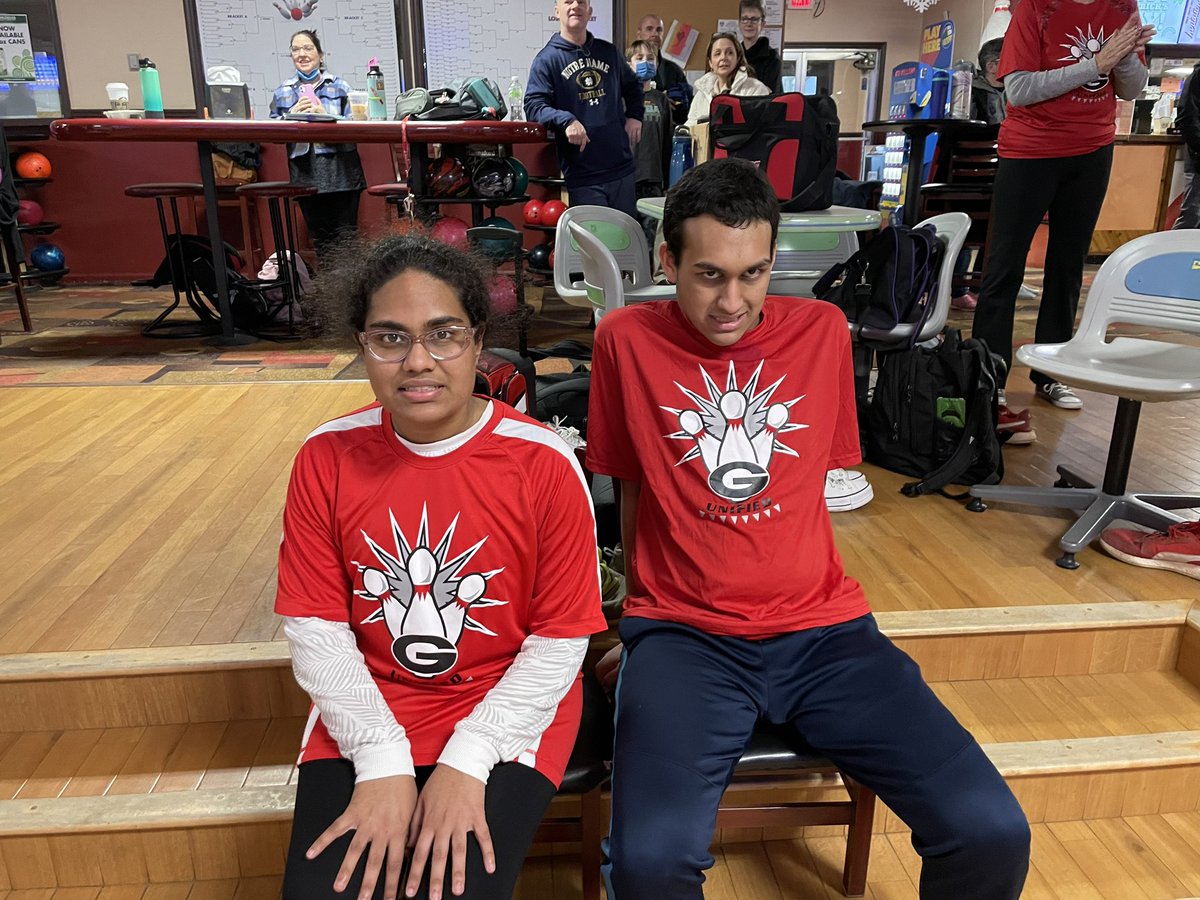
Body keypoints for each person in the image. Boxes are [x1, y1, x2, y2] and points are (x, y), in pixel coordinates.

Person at [587, 158, 1031, 900]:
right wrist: (632, 623)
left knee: (990, 828)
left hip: (827, 635)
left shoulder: (822, 332)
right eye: (708, 275)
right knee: (649, 865)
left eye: (753, 274)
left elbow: (814, 488)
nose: (734, 301)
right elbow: (631, 490)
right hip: (687, 640)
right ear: (668, 261)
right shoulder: (625, 341)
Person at [276, 234, 607, 900]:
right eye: (390, 338)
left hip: (509, 702)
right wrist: (381, 760)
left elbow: (560, 640)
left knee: (449, 891)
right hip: (372, 700)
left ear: (477, 341)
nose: (418, 362)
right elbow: (316, 631)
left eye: (443, 334)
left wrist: (468, 759)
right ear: (362, 345)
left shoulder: (542, 462)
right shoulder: (324, 456)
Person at [971, 0, 1152, 426]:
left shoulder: (1123, 7)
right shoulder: (1035, 7)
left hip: (1092, 151)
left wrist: (1123, 56)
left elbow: (1131, 89)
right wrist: (1097, 63)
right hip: (1030, 152)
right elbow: (1018, 89)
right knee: (1004, 268)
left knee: (1068, 265)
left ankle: (1050, 371)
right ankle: (987, 378)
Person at [526, 0, 644, 219]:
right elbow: (533, 106)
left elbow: (634, 85)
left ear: (589, 11)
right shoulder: (547, 60)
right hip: (584, 175)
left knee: (624, 243)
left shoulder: (608, 52)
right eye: (568, 1)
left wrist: (635, 116)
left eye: (581, 1)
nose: (575, 6)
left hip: (622, 169)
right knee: (594, 247)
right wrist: (566, 120)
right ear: (557, 11)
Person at [269, 29, 366, 264]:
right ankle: (328, 297)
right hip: (305, 173)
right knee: (321, 242)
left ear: (320, 55)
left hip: (342, 172)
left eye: (308, 48)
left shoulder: (340, 86)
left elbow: (358, 127)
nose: (302, 53)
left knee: (345, 243)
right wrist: (291, 117)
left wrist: (327, 117)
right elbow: (272, 133)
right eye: (296, 49)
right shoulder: (282, 92)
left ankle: (349, 297)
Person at [948, 37, 1008, 316]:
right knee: (965, 222)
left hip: (1000, 180)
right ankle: (958, 289)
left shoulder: (1013, 92)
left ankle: (984, 287)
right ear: (993, 65)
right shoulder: (968, 94)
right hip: (970, 181)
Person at [627, 40, 672, 252]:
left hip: (653, 177)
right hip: (628, 177)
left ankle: (646, 279)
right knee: (628, 232)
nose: (646, 62)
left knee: (649, 236)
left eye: (650, 58)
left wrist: (667, 180)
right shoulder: (622, 99)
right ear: (629, 64)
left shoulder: (661, 100)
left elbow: (667, 141)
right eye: (639, 58)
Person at [685, 32, 770, 126]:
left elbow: (761, 129)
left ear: (738, 59)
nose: (723, 58)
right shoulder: (701, 95)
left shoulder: (755, 89)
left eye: (730, 53)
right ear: (710, 63)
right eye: (717, 54)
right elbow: (689, 128)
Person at [635, 13, 693, 125]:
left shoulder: (674, 70)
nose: (654, 34)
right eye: (649, 29)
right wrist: (658, 99)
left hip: (667, 130)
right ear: (639, 33)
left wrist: (679, 104)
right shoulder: (625, 67)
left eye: (659, 30)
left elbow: (686, 112)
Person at [1172, 60, 1200, 230]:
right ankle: (1173, 255)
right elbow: (1186, 118)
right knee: (1192, 217)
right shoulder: (1198, 76)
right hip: (1199, 165)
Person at [738, 0, 781, 92]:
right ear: (739, 22)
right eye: (745, 18)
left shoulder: (772, 58)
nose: (749, 24)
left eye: (754, 19)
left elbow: (772, 96)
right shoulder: (735, 55)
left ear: (762, 24)